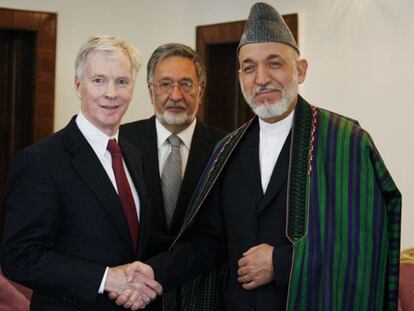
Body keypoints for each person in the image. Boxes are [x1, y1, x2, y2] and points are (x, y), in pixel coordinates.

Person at [114, 2, 402, 310]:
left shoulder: (344, 142)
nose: (261, 78)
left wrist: (280, 262)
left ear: (301, 70)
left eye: (274, 63)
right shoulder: (228, 150)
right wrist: (152, 272)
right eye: (250, 67)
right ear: (240, 77)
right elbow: (207, 242)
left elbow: (365, 245)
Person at [0, 35, 162, 310]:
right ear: (78, 86)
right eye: (98, 80)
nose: (111, 93)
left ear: (133, 88)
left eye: (121, 81)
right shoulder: (40, 160)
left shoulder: (134, 155)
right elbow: (19, 257)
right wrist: (106, 278)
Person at [120, 43, 227, 311]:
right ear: (150, 90)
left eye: (186, 84)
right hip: (132, 296)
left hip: (202, 294)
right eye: (165, 84)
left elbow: (222, 233)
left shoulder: (226, 147)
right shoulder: (121, 142)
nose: (175, 95)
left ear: (200, 90)